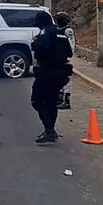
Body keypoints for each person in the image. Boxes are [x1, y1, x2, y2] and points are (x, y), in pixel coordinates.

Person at [28, 9, 74, 144]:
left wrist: (34, 43)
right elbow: (69, 52)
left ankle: (49, 130)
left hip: (47, 72)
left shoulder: (46, 32)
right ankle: (50, 130)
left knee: (37, 100)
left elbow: (43, 47)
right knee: (51, 103)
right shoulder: (60, 32)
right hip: (60, 73)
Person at [54, 11, 75, 110]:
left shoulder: (67, 31)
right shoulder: (58, 30)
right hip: (58, 58)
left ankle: (66, 101)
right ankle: (59, 99)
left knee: (66, 80)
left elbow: (71, 45)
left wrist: (66, 57)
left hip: (65, 59)